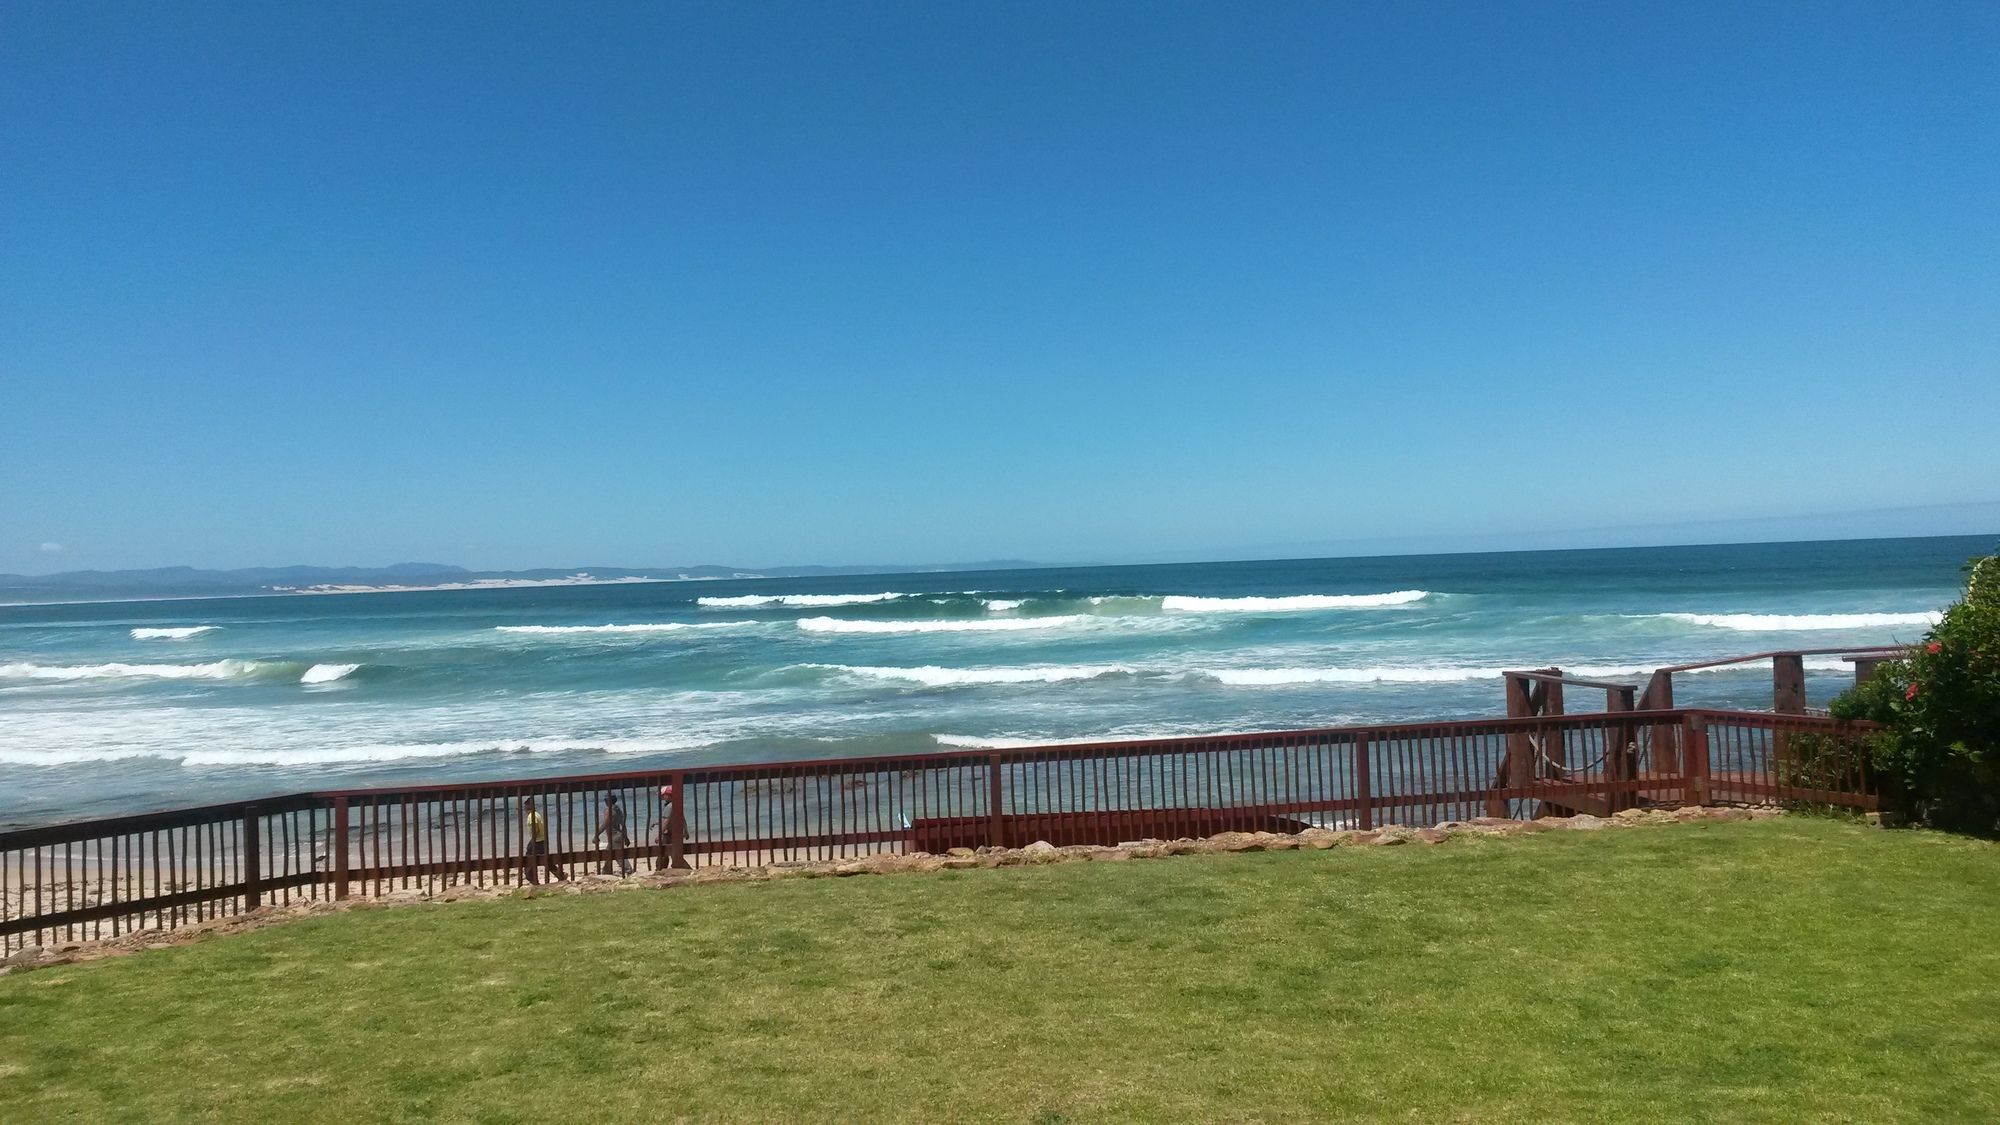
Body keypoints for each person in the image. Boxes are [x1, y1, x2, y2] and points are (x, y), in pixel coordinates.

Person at [521, 796, 566, 884]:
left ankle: (533, 880)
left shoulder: (531, 817)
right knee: (546, 860)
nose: (524, 809)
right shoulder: (537, 814)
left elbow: (535, 830)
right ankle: (560, 875)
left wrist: (532, 842)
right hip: (542, 840)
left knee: (529, 862)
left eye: (525, 807)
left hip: (537, 841)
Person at [592, 793, 634, 876]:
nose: (605, 801)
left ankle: (629, 870)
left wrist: (596, 835)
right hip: (619, 835)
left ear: (608, 801)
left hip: (614, 837)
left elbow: (605, 824)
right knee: (608, 855)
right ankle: (606, 873)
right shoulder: (618, 810)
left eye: (605, 800)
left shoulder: (609, 810)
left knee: (619, 856)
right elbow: (623, 825)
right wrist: (625, 837)